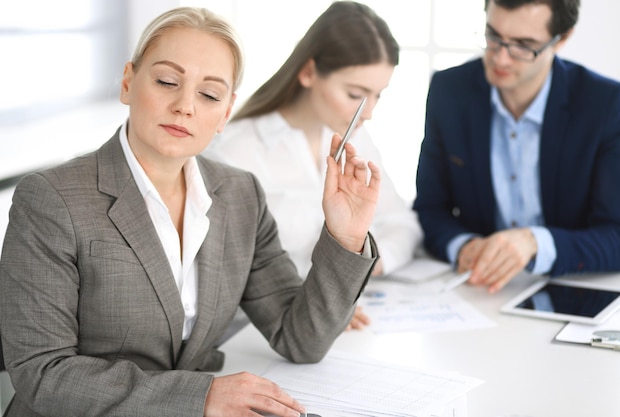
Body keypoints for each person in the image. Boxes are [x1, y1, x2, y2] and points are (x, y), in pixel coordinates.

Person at [0, 7, 382, 417]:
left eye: (209, 95)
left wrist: (346, 236)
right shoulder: (52, 199)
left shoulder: (240, 195)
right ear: (128, 82)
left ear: (226, 113)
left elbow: (300, 339)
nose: (185, 106)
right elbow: (43, 373)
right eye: (167, 81)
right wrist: (198, 397)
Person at [203, 1, 422, 329]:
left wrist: (364, 267)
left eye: (378, 95)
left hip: (348, 323)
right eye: (356, 95)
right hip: (266, 331)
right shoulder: (235, 151)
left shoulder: (358, 140)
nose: (370, 112)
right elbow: (233, 274)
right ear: (308, 72)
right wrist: (325, 297)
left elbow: (403, 224)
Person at [413, 0, 620, 294]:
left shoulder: (607, 105)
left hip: (571, 290)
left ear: (562, 39)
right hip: (477, 291)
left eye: (523, 46)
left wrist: (534, 243)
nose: (500, 58)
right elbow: (429, 208)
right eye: (493, 36)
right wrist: (464, 247)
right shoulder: (449, 91)